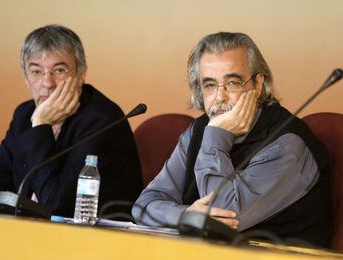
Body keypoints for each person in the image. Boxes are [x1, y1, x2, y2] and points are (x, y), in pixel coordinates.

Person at [132, 32, 331, 247]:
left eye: (233, 83)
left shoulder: (287, 144)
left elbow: (223, 217)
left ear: (257, 84)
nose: (220, 97)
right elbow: (143, 205)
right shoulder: (200, 131)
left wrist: (217, 136)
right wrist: (185, 216)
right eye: (209, 85)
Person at [0, 24, 143, 217]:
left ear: (81, 75)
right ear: (26, 79)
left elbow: (54, 203)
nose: (47, 83)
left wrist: (41, 125)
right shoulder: (25, 114)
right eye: (36, 72)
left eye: (59, 70)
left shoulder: (101, 119)